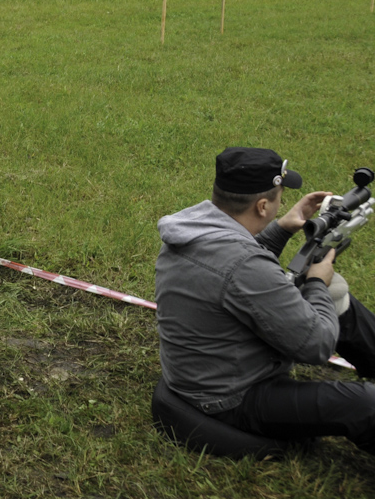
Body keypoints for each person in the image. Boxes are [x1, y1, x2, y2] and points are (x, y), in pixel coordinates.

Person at [155, 147, 375, 452]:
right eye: (279, 196)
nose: (281, 202)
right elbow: (317, 344)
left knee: (337, 303)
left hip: (207, 374)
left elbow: (232, 271)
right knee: (366, 404)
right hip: (231, 397)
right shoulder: (244, 266)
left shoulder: (192, 230)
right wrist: (317, 284)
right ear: (261, 206)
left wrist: (282, 227)